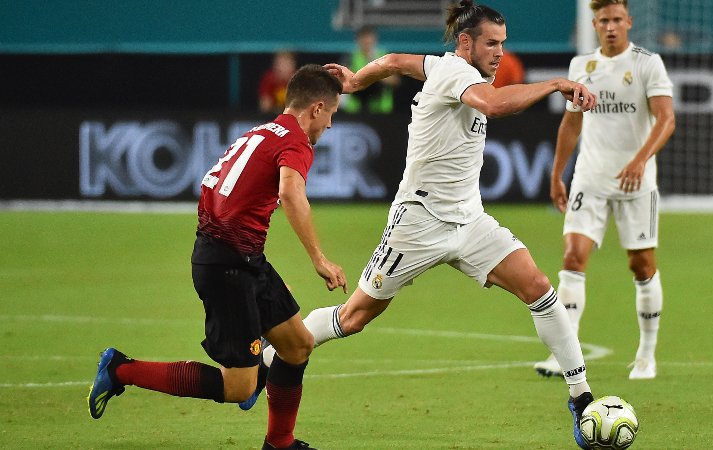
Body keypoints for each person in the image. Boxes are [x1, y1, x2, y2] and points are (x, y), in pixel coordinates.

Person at [257, 1, 599, 448]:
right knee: (356, 315)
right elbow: (493, 107)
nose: (499, 53)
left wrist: (360, 79)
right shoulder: (458, 74)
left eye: (503, 43)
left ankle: (582, 398)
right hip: (418, 223)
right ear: (465, 43)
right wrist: (556, 84)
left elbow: (398, 61)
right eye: (492, 44)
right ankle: (268, 359)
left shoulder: (439, 66)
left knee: (537, 285)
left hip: (469, 220)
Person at [87, 64, 348, 450]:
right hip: (229, 266)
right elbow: (291, 194)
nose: (329, 126)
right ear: (316, 108)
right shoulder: (295, 142)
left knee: (297, 345)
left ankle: (280, 442)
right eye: (331, 115)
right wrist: (319, 258)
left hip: (239, 257)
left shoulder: (261, 132)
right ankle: (121, 369)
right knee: (236, 387)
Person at [534, 0, 675, 381]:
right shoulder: (581, 66)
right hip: (590, 179)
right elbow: (571, 124)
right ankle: (565, 356)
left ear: (628, 22)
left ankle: (646, 355)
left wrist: (641, 159)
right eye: (604, 21)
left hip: (636, 182)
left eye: (617, 20)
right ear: (594, 24)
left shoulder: (648, 63)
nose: (611, 27)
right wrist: (556, 174)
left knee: (641, 265)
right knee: (572, 258)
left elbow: (666, 119)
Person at [341, 26, 399, 114]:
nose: (366, 41)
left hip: (380, 109)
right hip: (355, 109)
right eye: (363, 38)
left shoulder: (385, 56)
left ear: (375, 39)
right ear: (358, 40)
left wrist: (378, 75)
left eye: (369, 37)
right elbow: (342, 81)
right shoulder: (350, 57)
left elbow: (395, 81)